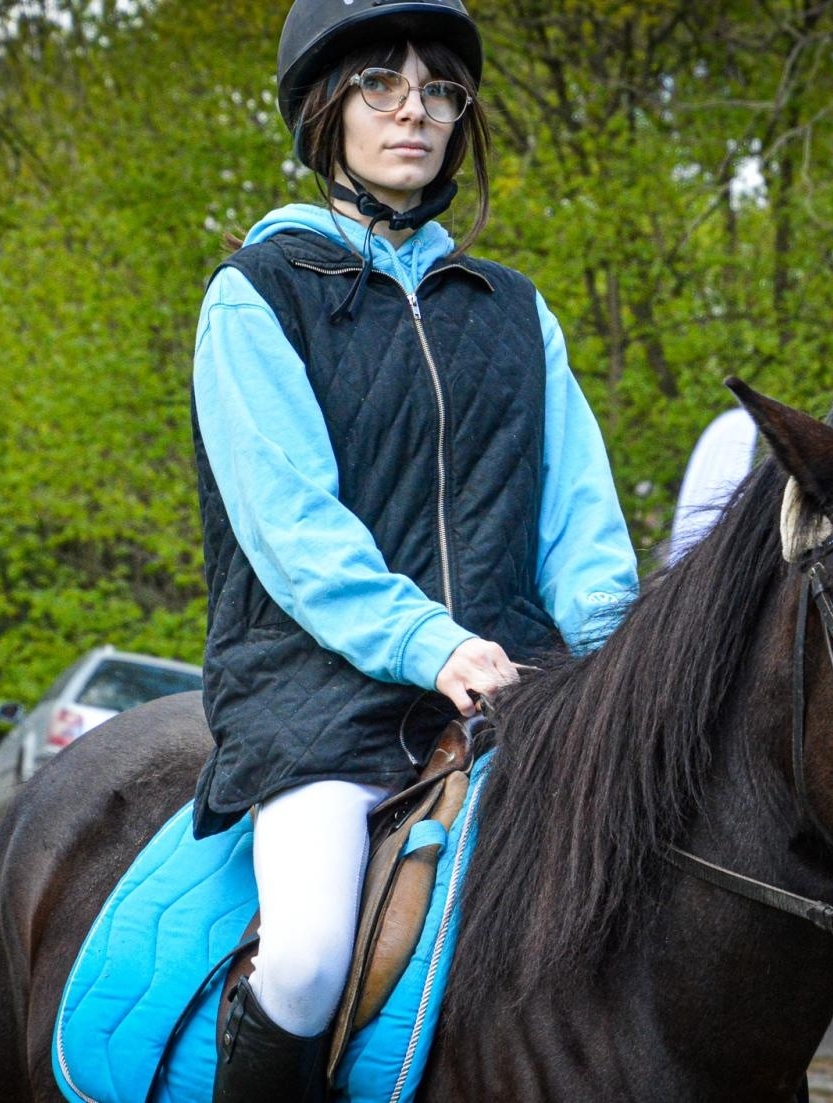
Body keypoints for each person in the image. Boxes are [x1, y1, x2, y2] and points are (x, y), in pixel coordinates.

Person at [190, 2, 638, 1097]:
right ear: (322, 109)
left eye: (440, 90)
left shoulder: (514, 310)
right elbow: (292, 529)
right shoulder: (257, 294)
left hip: (516, 693)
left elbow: (581, 522)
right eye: (381, 87)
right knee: (302, 963)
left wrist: (622, 659)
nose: (416, 112)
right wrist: (426, 641)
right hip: (317, 700)